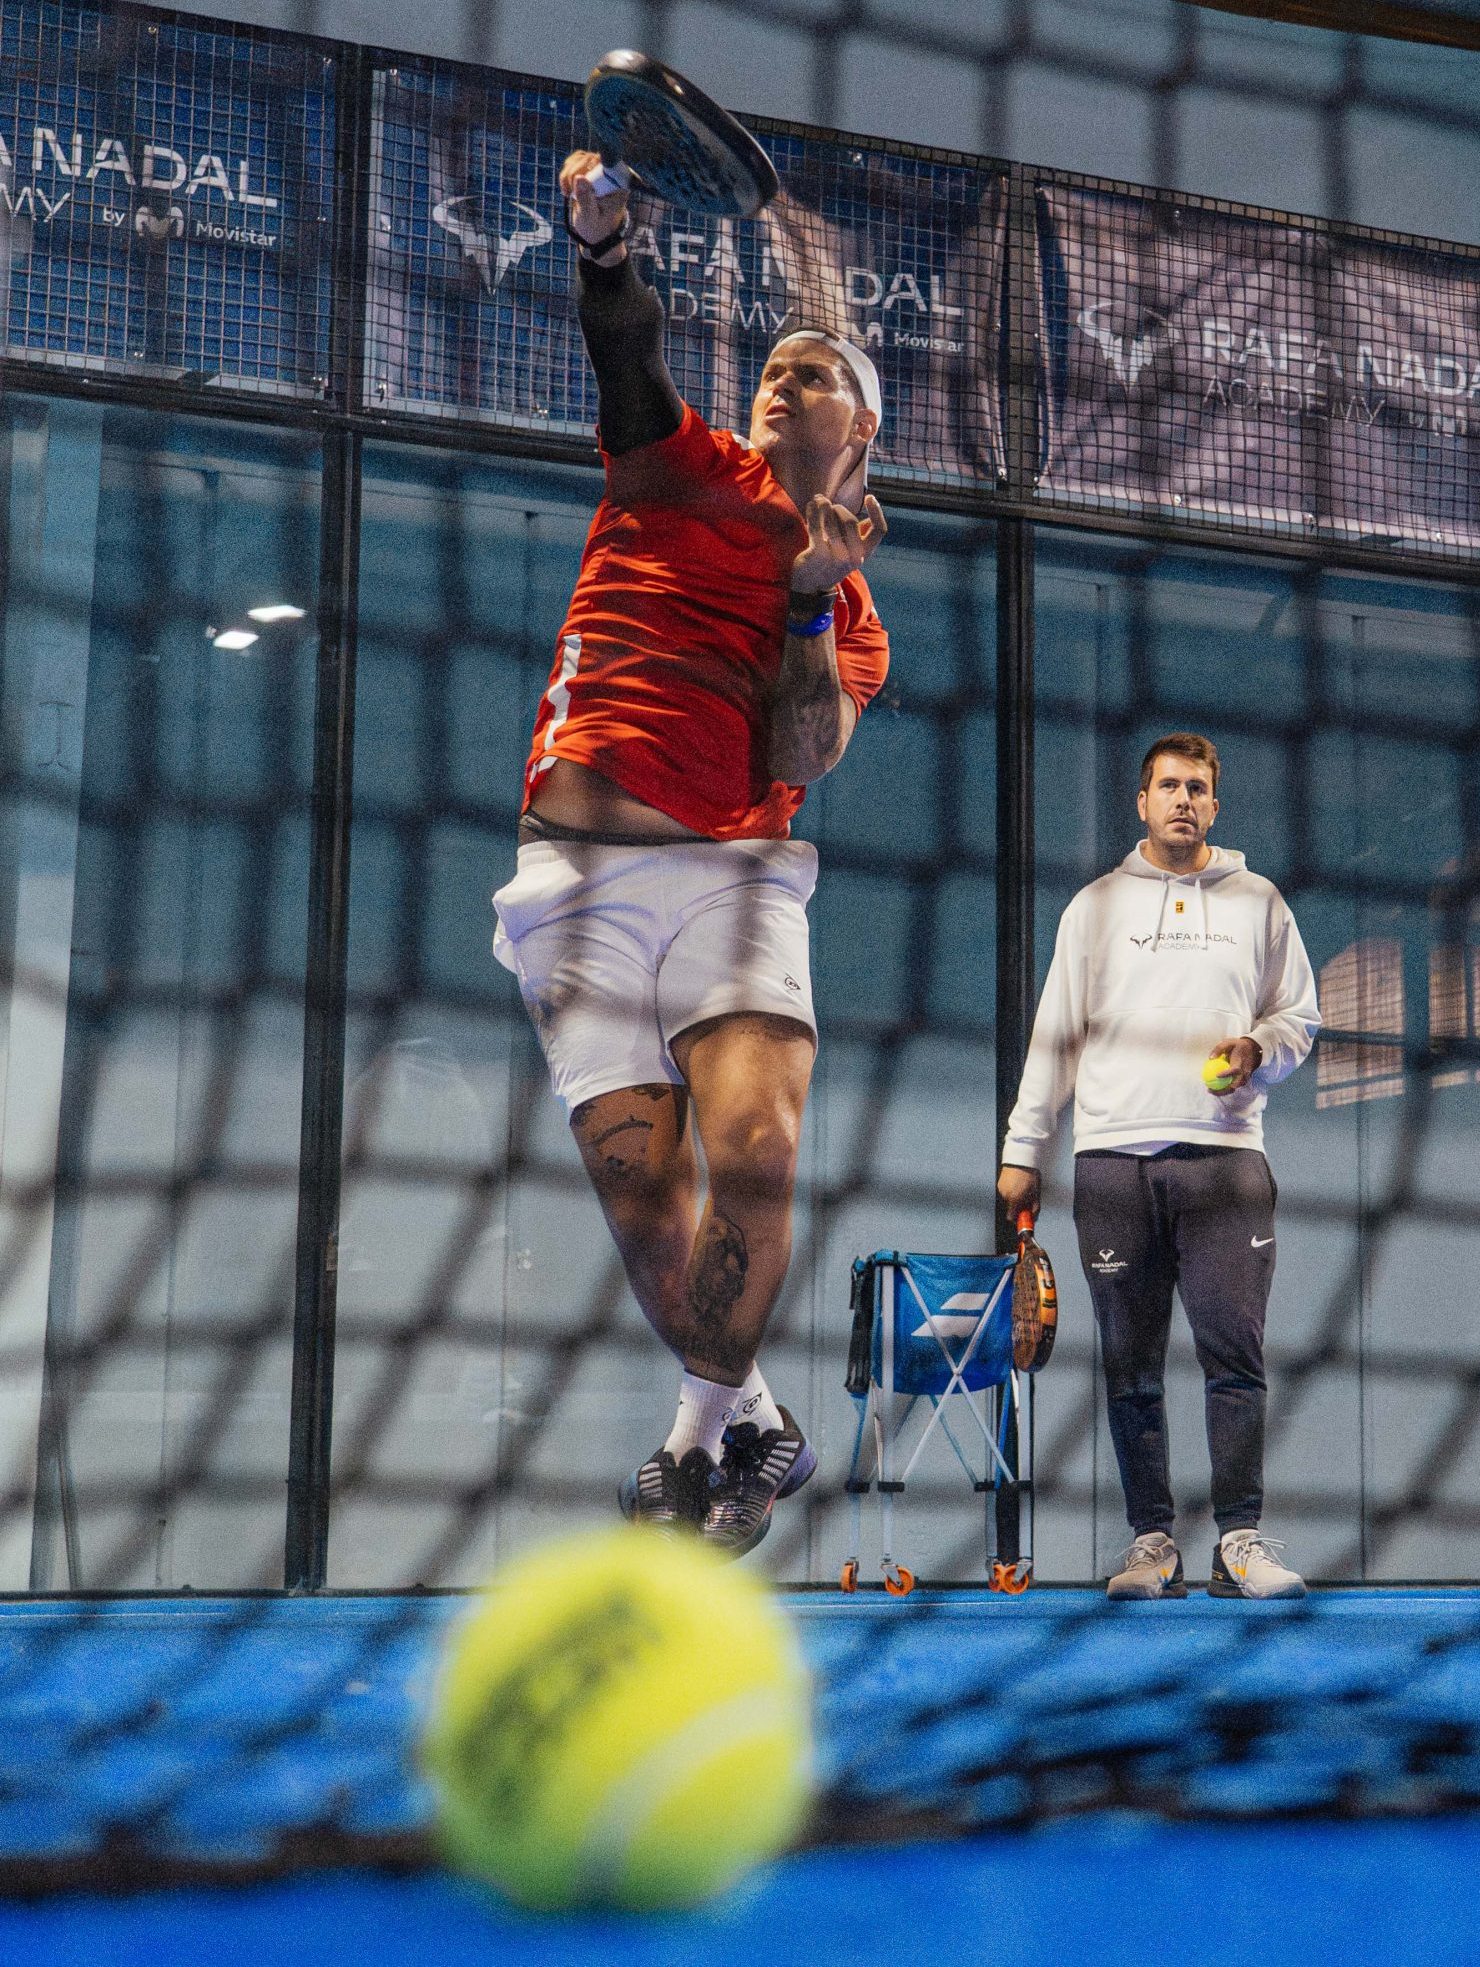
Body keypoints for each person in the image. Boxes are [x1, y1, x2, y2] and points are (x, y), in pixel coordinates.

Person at [492, 151, 890, 1557]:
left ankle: (685, 1443)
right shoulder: (680, 464)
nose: (781, 381)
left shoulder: (853, 613)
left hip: (736, 883)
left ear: (860, 427)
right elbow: (629, 361)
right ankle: (751, 1423)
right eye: (772, 368)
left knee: (759, 1159)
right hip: (573, 886)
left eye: (812, 373)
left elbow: (802, 754)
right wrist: (604, 251)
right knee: (648, 1209)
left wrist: (807, 600)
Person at [998, 733, 1320, 1600]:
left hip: (1227, 1163)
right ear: (1141, 802)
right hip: (1112, 1163)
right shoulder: (1094, 907)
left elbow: (1299, 1016)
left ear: (1215, 804)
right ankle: (1152, 1544)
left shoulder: (1260, 901)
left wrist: (1260, 1048)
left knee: (1234, 1356)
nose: (1183, 798)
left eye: (1197, 787)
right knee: (1130, 1366)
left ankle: (1240, 1540)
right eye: (1169, 785)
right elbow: (1055, 1036)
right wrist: (1024, 1148)